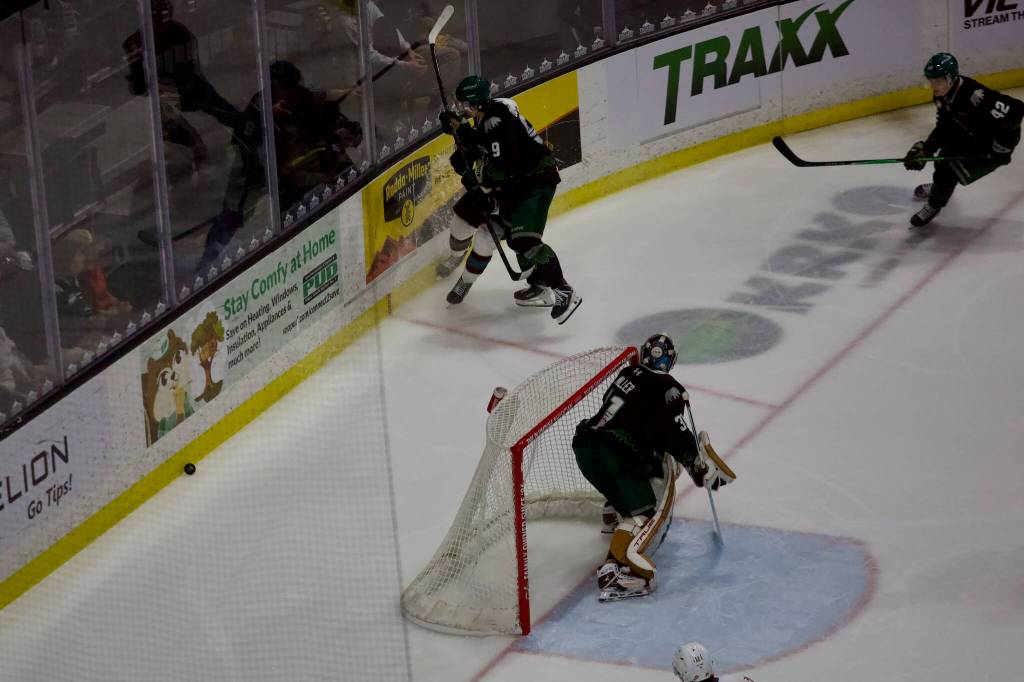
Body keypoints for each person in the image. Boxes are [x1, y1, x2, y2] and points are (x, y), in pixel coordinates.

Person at [571, 334, 732, 601]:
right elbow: (672, 430)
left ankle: (612, 512)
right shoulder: (668, 387)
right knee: (643, 511)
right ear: (670, 361)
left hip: (585, 443)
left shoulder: (628, 373)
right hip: (613, 451)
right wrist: (695, 463)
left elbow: (632, 415)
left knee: (628, 475)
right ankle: (614, 570)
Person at [436, 75, 583, 324]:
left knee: (523, 240)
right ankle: (538, 285)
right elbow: (472, 154)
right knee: (505, 236)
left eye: (466, 104)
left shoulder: (498, 123)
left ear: (476, 103)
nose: (463, 109)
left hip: (533, 184)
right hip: (513, 186)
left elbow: (506, 165)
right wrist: (460, 132)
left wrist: (479, 185)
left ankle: (563, 290)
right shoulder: (488, 119)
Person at [903, 52, 1023, 228]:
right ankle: (939, 187)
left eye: (937, 81)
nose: (933, 86)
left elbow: (1016, 110)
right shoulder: (941, 95)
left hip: (991, 143)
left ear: (950, 78)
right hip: (971, 133)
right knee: (943, 162)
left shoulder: (975, 96)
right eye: (930, 81)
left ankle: (935, 203)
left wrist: (1002, 148)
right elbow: (945, 126)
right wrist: (927, 148)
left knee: (947, 168)